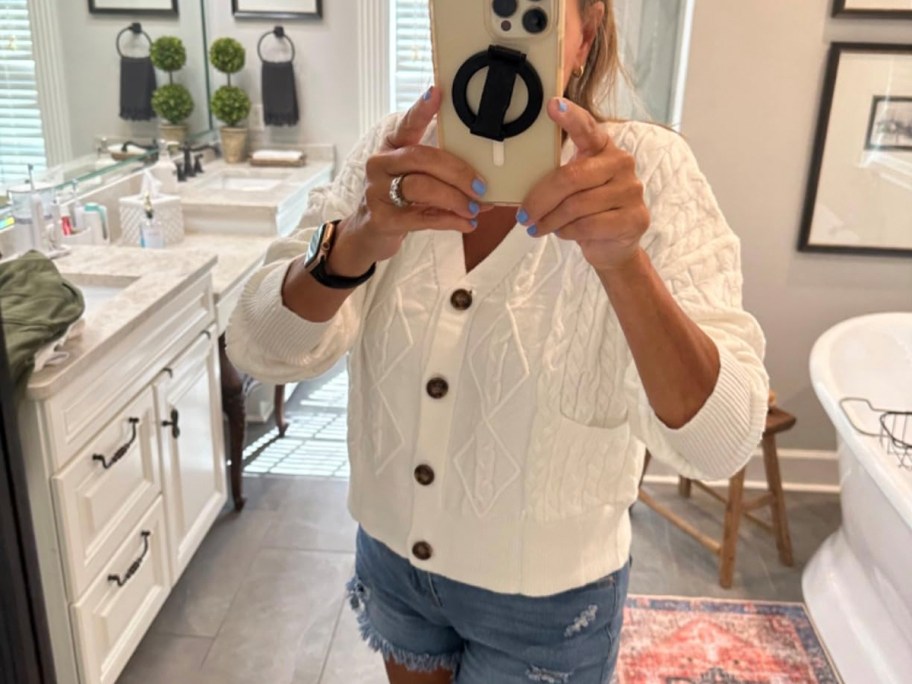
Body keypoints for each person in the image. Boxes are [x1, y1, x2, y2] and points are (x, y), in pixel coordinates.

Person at [227, 1, 769, 681]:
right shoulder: (389, 158)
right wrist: (354, 244)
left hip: (547, 603)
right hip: (392, 562)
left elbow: (720, 442)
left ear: (585, 34)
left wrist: (624, 263)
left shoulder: (651, 174)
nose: (495, 35)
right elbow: (256, 346)